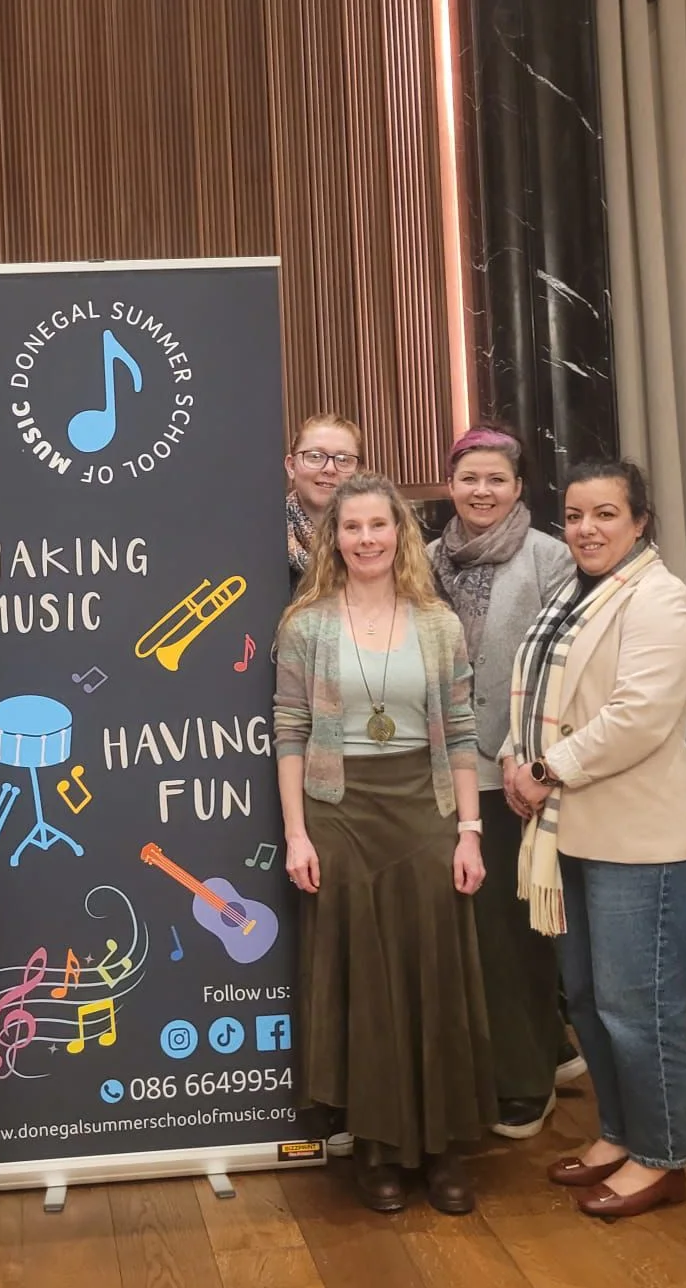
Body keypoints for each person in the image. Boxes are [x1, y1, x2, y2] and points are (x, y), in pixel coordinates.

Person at [504, 459, 686, 1219]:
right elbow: (534, 691)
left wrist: (544, 768)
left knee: (640, 1005)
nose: (586, 530)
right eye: (573, 516)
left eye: (604, 515)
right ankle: (620, 1133)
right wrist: (514, 754)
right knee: (592, 1001)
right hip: (579, 832)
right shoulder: (576, 594)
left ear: (639, 522)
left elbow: (636, 717)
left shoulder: (663, 602)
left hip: (649, 837)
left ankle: (663, 1159)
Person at [275, 473, 494, 1215]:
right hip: (339, 814)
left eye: (379, 525)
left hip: (425, 809)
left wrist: (468, 832)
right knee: (366, 988)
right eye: (351, 527)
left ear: (400, 533)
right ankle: (376, 1149)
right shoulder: (305, 625)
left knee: (434, 979)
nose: (366, 539)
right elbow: (290, 734)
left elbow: (461, 734)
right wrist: (297, 833)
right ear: (331, 539)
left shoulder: (438, 623)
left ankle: (444, 1148)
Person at [428, 426, 575, 1139]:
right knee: (480, 929)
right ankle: (549, 1047)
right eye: (468, 479)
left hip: (518, 768)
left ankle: (525, 1085)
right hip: (447, 767)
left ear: (519, 488)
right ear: (449, 484)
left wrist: (529, 756)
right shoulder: (424, 560)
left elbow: (560, 666)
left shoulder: (551, 557)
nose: (481, 492)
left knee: (512, 930)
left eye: (496, 480)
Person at [285, 412, 364, 589]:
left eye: (343, 459)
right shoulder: (263, 538)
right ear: (291, 467)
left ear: (358, 472)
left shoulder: (376, 540)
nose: (330, 469)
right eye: (315, 456)